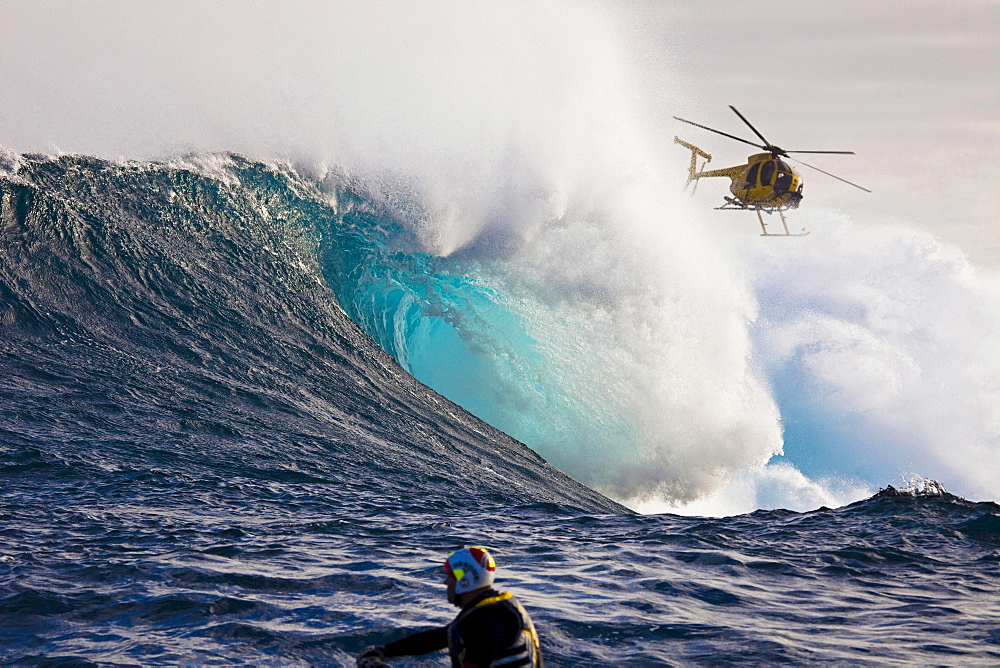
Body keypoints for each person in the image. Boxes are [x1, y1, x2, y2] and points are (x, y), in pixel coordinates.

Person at [356, 546, 543, 668]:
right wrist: (384, 650)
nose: (446, 582)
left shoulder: (486, 622)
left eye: (450, 576)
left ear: (465, 581)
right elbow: (440, 637)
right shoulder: (492, 609)